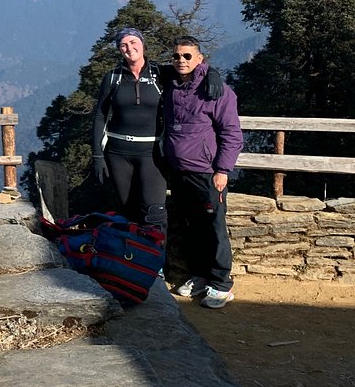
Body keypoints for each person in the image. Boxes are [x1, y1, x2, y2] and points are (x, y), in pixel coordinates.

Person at [162, 35, 244, 309]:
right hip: (180, 171)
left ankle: (222, 284)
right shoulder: (172, 86)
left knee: (214, 227)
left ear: (200, 58)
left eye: (187, 56)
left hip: (207, 172)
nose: (181, 61)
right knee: (192, 227)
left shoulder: (216, 89)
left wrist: (223, 169)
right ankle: (201, 276)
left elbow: (232, 133)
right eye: (176, 56)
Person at [91, 28, 168, 234]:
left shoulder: (160, 74)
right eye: (123, 45)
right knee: (129, 212)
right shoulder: (113, 78)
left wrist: (212, 75)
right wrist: (97, 156)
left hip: (151, 153)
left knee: (155, 213)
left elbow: (192, 70)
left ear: (143, 44)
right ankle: (135, 262)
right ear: (119, 49)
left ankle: (157, 263)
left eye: (133, 42)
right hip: (118, 154)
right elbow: (100, 115)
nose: (129, 48)